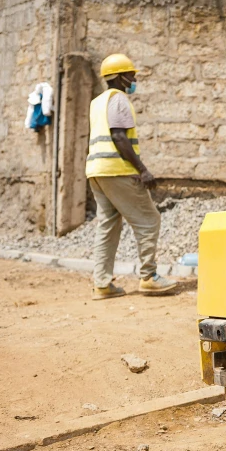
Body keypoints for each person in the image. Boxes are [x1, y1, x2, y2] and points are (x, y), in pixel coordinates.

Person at [86, 53, 177, 300]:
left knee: (107, 226)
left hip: (97, 171)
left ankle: (102, 284)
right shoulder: (119, 100)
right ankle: (149, 277)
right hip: (118, 171)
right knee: (149, 219)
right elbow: (118, 136)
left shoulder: (98, 101)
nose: (134, 78)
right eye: (131, 74)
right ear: (121, 77)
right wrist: (143, 170)